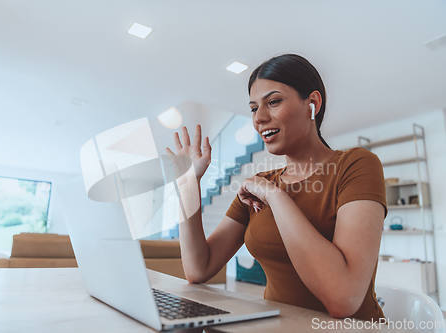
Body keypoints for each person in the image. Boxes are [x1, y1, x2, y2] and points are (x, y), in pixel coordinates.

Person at [165, 54, 387, 321]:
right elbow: (198, 268)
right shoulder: (259, 184)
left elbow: (343, 298)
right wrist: (188, 185)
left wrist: (275, 195)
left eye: (273, 102)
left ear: (312, 104)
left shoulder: (356, 165)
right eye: (253, 108)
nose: (259, 118)